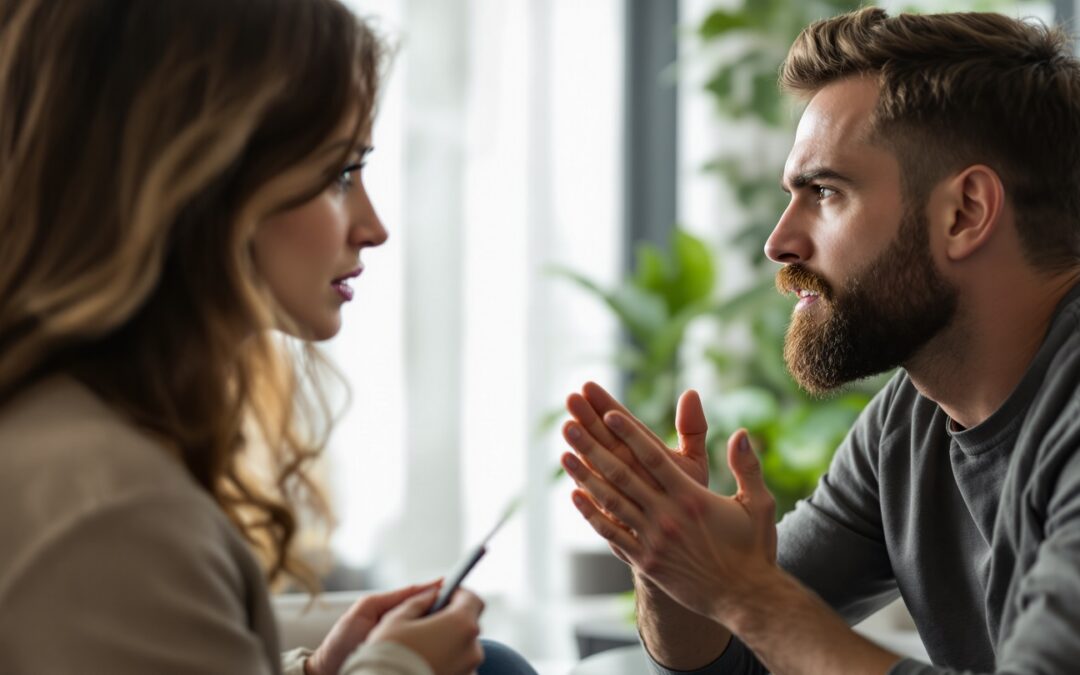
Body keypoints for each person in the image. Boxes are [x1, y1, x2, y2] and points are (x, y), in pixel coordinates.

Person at [0, 2, 535, 675]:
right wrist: (396, 668)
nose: (373, 227)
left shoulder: (75, 438)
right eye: (340, 173)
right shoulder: (111, 508)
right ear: (202, 178)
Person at [560, 7, 1080, 675]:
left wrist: (744, 591)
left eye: (825, 192)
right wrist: (671, 563)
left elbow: (762, 614)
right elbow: (742, 656)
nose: (778, 243)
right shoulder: (911, 420)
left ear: (965, 213)